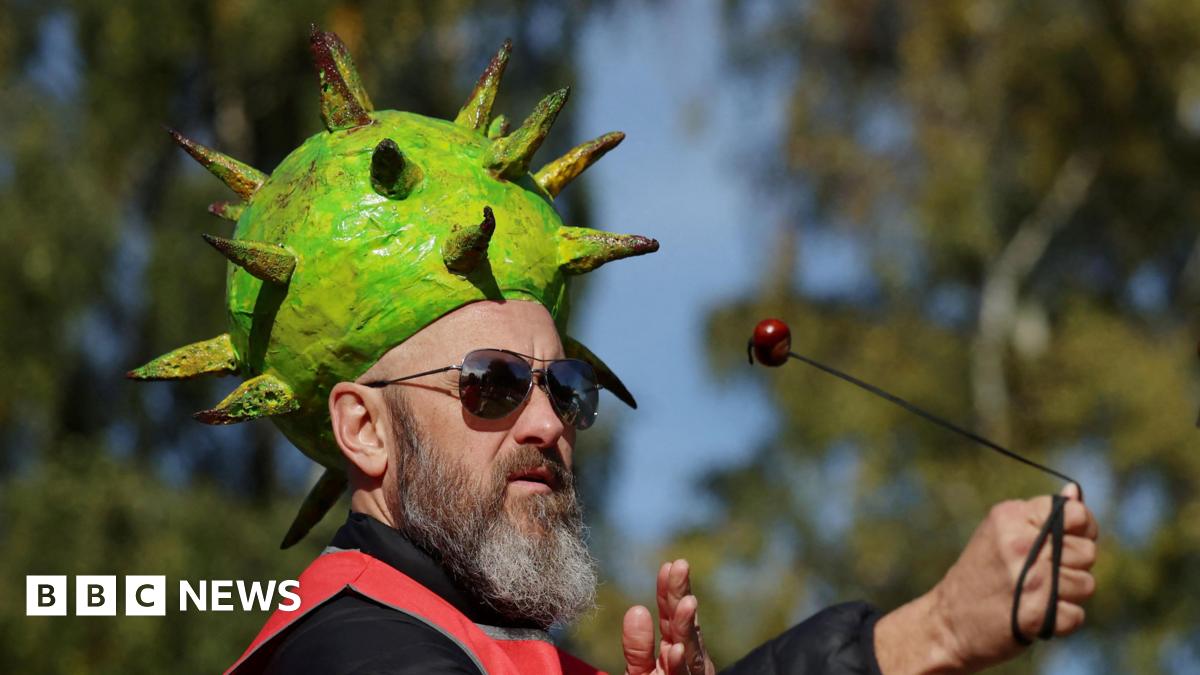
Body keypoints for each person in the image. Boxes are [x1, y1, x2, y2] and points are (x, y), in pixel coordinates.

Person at [129, 27, 1098, 675]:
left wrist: (932, 630)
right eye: (491, 385)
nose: (548, 421)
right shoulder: (354, 653)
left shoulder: (488, 645)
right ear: (363, 429)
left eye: (567, 386)